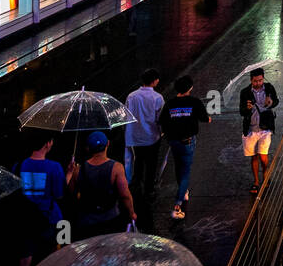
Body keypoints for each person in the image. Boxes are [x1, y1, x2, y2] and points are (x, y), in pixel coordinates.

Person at [14, 131, 69, 266]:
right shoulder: (54, 167)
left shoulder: (19, 165)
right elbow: (59, 194)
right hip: (50, 219)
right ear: (47, 143)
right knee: (52, 258)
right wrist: (68, 176)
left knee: (24, 261)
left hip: (25, 219)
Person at [159, 76, 211, 221]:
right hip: (188, 141)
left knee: (178, 166)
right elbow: (204, 117)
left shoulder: (169, 104)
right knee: (186, 170)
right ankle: (178, 203)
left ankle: (184, 191)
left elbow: (162, 121)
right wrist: (208, 119)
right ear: (190, 88)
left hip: (173, 142)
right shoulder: (194, 102)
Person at [69, 131, 136, 239]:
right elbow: (125, 195)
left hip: (87, 221)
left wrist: (69, 173)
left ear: (88, 148)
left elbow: (71, 192)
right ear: (108, 144)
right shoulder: (116, 168)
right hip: (111, 218)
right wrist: (132, 212)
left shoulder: (78, 171)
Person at [124, 69, 163, 217]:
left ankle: (136, 188)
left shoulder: (131, 96)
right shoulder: (157, 97)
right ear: (154, 81)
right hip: (152, 137)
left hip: (135, 137)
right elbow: (160, 117)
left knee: (138, 162)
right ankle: (149, 190)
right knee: (151, 164)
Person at [240, 69, 278, 195]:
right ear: (251, 80)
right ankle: (256, 181)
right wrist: (247, 108)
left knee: (263, 156)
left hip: (265, 128)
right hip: (251, 129)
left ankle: (265, 173)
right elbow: (241, 111)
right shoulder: (245, 92)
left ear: (263, 78)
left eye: (260, 80)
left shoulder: (269, 88)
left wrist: (271, 102)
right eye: (255, 81)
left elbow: (276, 101)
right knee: (254, 156)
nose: (258, 83)